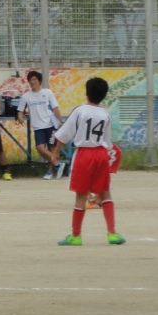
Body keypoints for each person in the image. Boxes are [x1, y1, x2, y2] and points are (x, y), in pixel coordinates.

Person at [54, 77, 125, 246]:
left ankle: (76, 236)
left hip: (84, 154)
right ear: (104, 95)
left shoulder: (80, 111)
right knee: (105, 193)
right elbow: (108, 142)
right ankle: (112, 233)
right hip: (101, 154)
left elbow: (64, 133)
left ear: (86, 93)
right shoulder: (106, 114)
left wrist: (55, 152)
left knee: (81, 195)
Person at [16, 70, 63, 178]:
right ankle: (58, 164)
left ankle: (50, 172)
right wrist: (20, 116)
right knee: (40, 148)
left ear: (39, 81)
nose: (32, 82)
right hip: (38, 127)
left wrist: (60, 121)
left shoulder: (47, 93)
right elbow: (20, 110)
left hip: (51, 124)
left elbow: (55, 108)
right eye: (30, 80)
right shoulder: (26, 96)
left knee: (52, 148)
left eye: (34, 79)